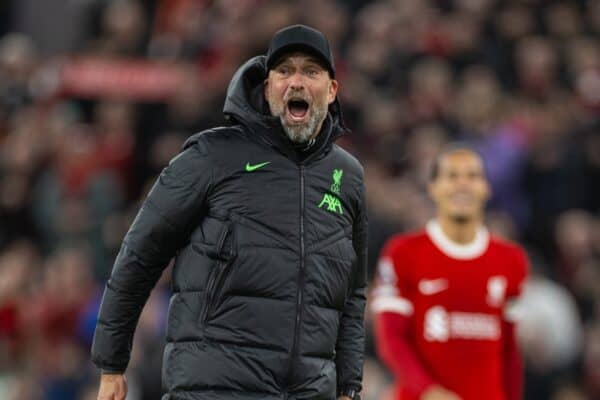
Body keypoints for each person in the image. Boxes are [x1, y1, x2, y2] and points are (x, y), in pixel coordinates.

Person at [92, 25, 367, 400]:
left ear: (332, 89)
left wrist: (349, 386)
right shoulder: (211, 157)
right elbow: (140, 255)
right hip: (214, 385)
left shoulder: (347, 176)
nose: (296, 82)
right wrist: (112, 363)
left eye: (311, 72)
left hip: (308, 390)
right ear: (267, 85)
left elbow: (352, 293)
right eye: (284, 71)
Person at [372, 145, 528, 400]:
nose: (462, 185)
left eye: (472, 176)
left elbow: (509, 352)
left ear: (486, 188)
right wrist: (429, 392)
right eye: (452, 176)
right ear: (433, 188)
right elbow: (392, 340)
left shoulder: (511, 260)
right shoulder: (402, 252)